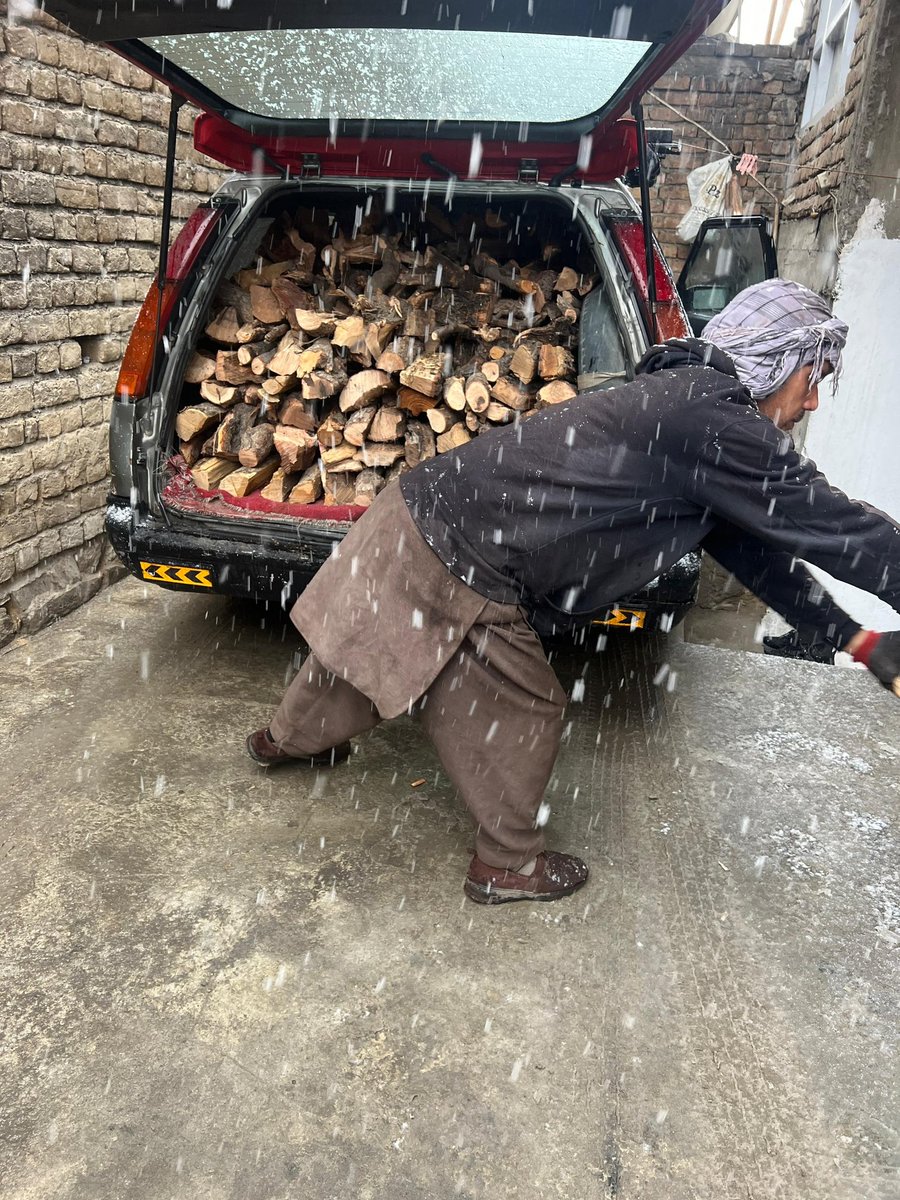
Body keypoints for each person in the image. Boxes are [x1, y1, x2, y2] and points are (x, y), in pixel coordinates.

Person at [247, 279, 900, 905]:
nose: (812, 402)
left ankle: (282, 740)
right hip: (469, 555)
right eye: (813, 379)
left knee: (366, 650)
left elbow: (754, 549)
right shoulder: (719, 422)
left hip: (419, 509)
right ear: (776, 362)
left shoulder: (689, 403)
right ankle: (506, 866)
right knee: (524, 710)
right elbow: (836, 527)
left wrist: (856, 637)